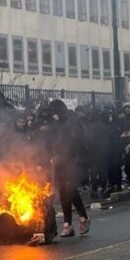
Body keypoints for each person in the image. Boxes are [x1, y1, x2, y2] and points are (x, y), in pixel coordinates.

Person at [48, 99, 90, 237]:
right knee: (64, 192)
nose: (53, 116)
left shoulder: (72, 122)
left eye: (54, 113)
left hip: (73, 161)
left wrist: (63, 155)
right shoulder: (58, 124)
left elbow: (75, 142)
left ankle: (80, 219)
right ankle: (70, 223)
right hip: (60, 162)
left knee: (70, 190)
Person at [83, 108, 109, 198]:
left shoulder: (90, 127)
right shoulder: (102, 125)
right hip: (102, 152)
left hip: (93, 153)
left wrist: (87, 149)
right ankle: (104, 188)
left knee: (93, 172)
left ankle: (94, 190)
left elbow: (88, 140)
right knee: (102, 171)